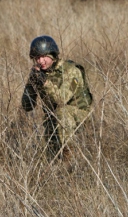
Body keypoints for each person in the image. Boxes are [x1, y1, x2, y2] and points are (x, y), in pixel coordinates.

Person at [21, 35, 93, 164]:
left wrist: (44, 83)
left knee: (62, 112)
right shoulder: (39, 74)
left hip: (79, 116)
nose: (41, 61)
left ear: (53, 55)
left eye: (44, 57)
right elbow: (27, 106)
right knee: (51, 158)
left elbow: (61, 99)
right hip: (54, 119)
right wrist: (31, 83)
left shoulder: (70, 71)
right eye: (37, 58)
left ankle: (69, 158)